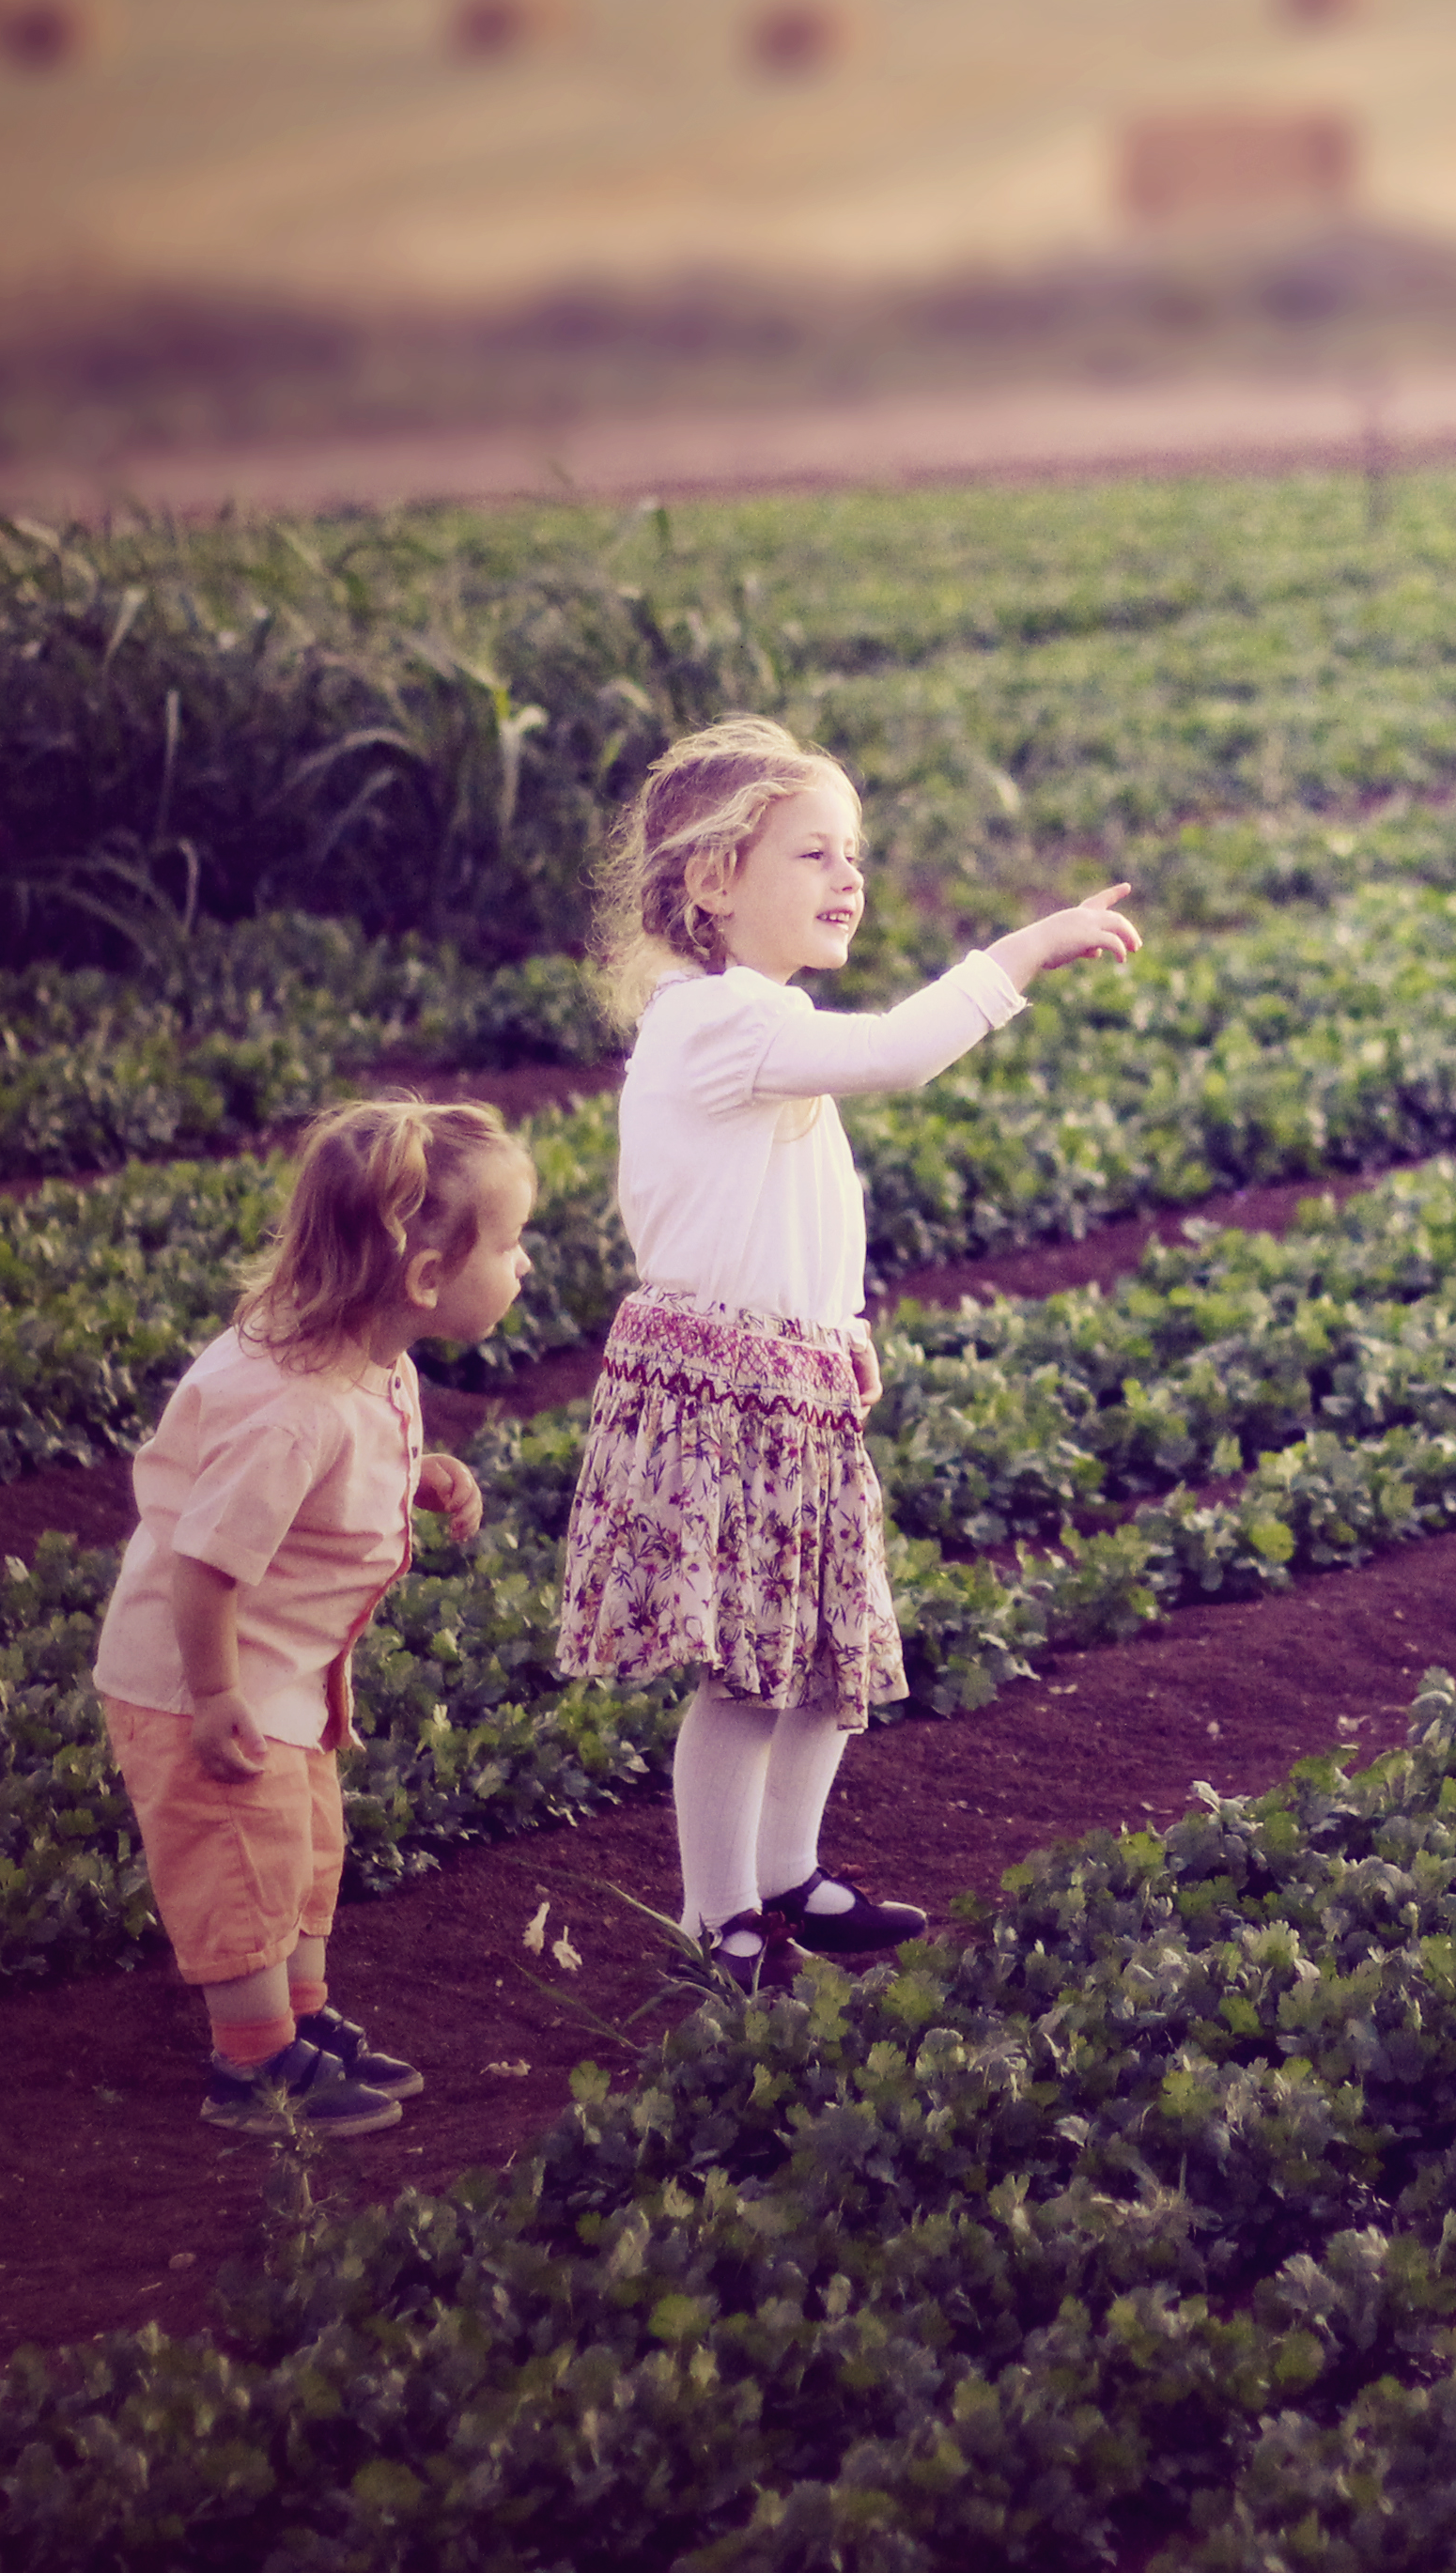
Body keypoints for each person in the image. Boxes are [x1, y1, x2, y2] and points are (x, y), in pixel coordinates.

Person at [558, 716, 1140, 1993]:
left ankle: (790, 1880)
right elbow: (900, 1053)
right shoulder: (718, 1022)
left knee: (825, 1658)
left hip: (795, 1384)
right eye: (813, 854)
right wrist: (1028, 948)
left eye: (853, 855)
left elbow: (801, 1209)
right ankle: (724, 1918)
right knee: (749, 1674)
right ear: (715, 882)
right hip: (723, 1396)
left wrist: (843, 1327)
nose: (849, 880)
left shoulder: (763, 1021)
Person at [95, 1096, 532, 2134]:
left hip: (279, 1669)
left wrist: (412, 1475)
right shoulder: (293, 1412)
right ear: (426, 1280)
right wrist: (211, 1697)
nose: (523, 1266)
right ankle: (252, 2065)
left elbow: (339, 1469)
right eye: (511, 1245)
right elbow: (205, 1563)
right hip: (204, 1673)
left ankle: (300, 2015)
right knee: (241, 1856)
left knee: (301, 1842)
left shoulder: (368, 1363)